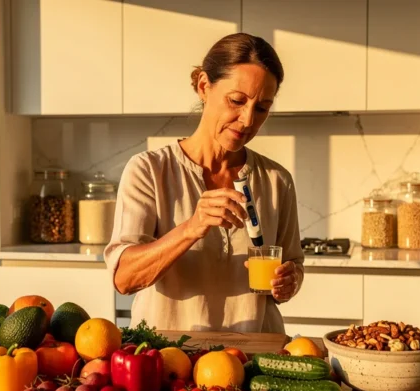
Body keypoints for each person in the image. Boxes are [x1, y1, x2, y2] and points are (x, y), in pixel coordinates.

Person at [104, 33, 304, 333]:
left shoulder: (277, 181)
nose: (248, 120)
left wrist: (291, 281)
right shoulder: (149, 170)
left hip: (255, 353)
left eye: (262, 108)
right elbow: (124, 278)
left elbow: (293, 264)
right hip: (171, 354)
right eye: (236, 101)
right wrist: (191, 228)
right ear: (203, 86)